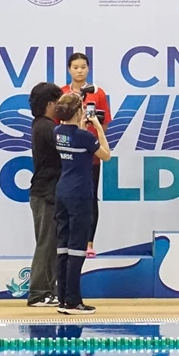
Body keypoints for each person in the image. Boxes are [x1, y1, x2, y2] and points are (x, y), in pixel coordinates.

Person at [54, 93, 111, 315]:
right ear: (79, 112)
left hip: (62, 192)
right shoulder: (85, 137)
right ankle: (73, 301)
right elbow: (106, 155)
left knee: (62, 247)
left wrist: (80, 123)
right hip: (80, 195)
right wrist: (96, 126)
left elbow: (70, 132)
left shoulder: (57, 132)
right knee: (77, 249)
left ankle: (62, 298)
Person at [60, 52, 112, 258]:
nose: (80, 70)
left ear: (88, 69)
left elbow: (104, 123)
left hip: (91, 155)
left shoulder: (97, 93)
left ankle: (89, 243)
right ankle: (67, 242)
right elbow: (58, 124)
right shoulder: (62, 94)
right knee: (67, 198)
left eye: (83, 67)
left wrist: (91, 139)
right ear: (69, 70)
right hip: (68, 155)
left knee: (90, 199)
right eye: (75, 67)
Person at [26, 82, 63, 307]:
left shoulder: (42, 125)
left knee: (50, 244)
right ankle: (38, 292)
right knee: (46, 243)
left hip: (46, 191)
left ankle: (47, 290)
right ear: (50, 104)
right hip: (45, 192)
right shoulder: (47, 128)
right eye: (58, 103)